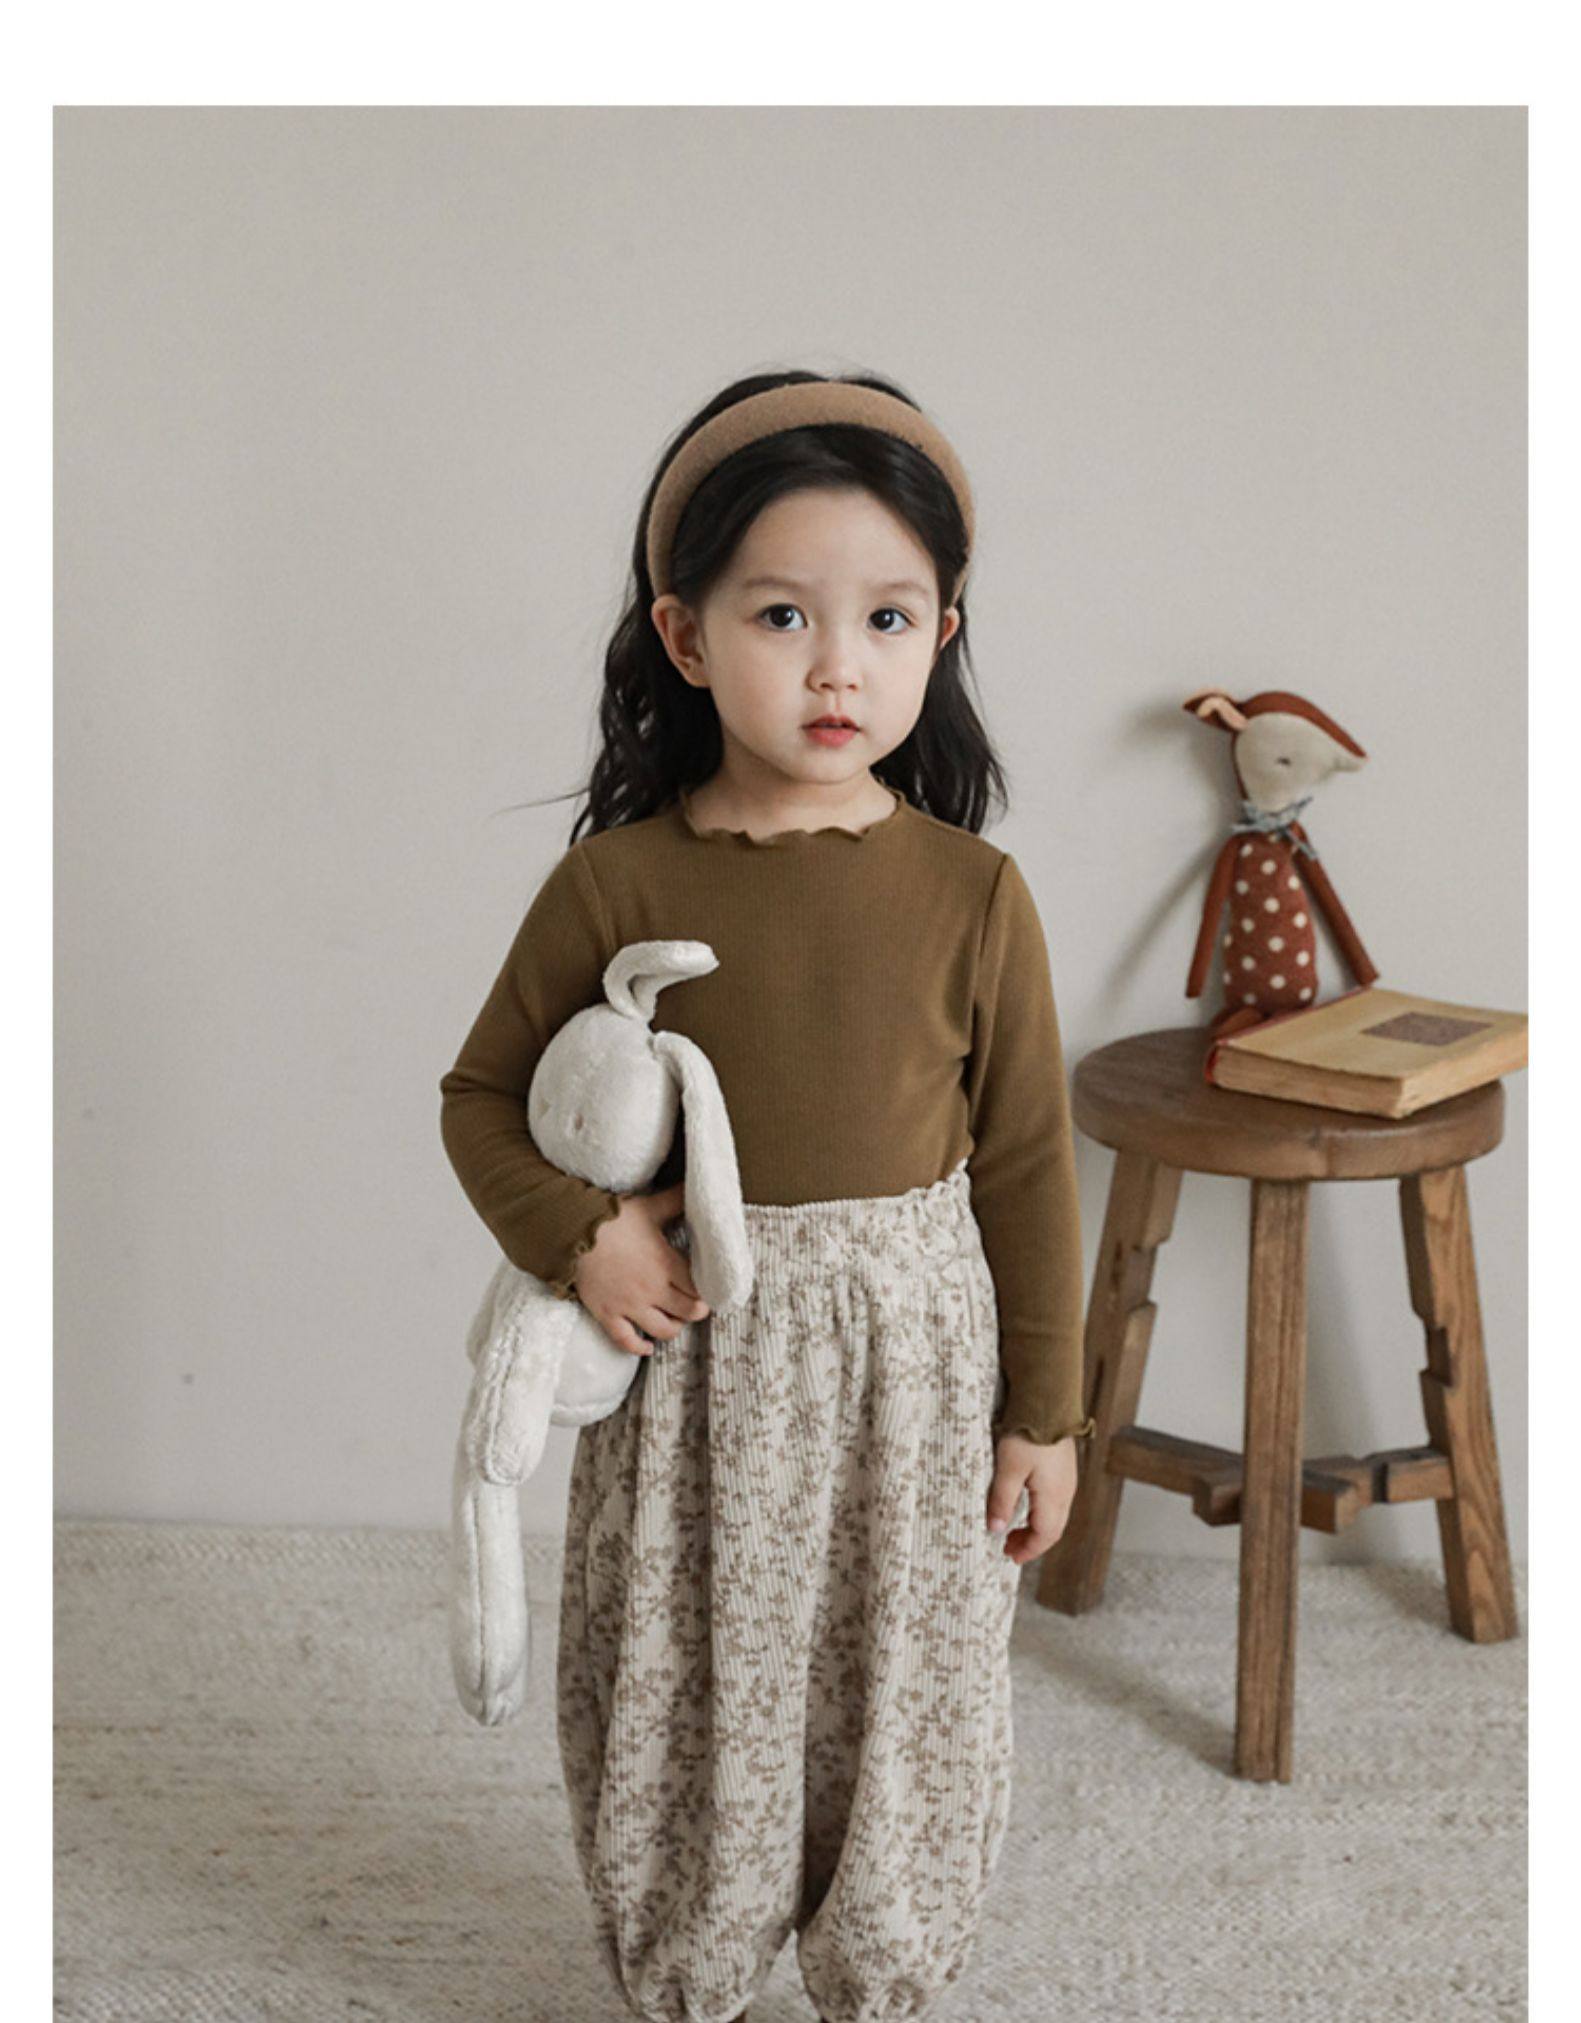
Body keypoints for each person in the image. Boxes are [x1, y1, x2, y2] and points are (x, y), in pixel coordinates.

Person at [438, 369, 1094, 2023]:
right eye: (782, 614)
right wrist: (585, 1234)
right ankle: (691, 1962)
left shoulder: (972, 895)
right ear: (684, 635)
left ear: (941, 635)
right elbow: (480, 1101)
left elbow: (1024, 1161)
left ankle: (882, 1968)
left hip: (911, 1383)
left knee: (904, 1680)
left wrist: (1046, 1412)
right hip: (696, 1375)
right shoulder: (617, 883)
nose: (835, 665)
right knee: (689, 1679)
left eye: (885, 618)